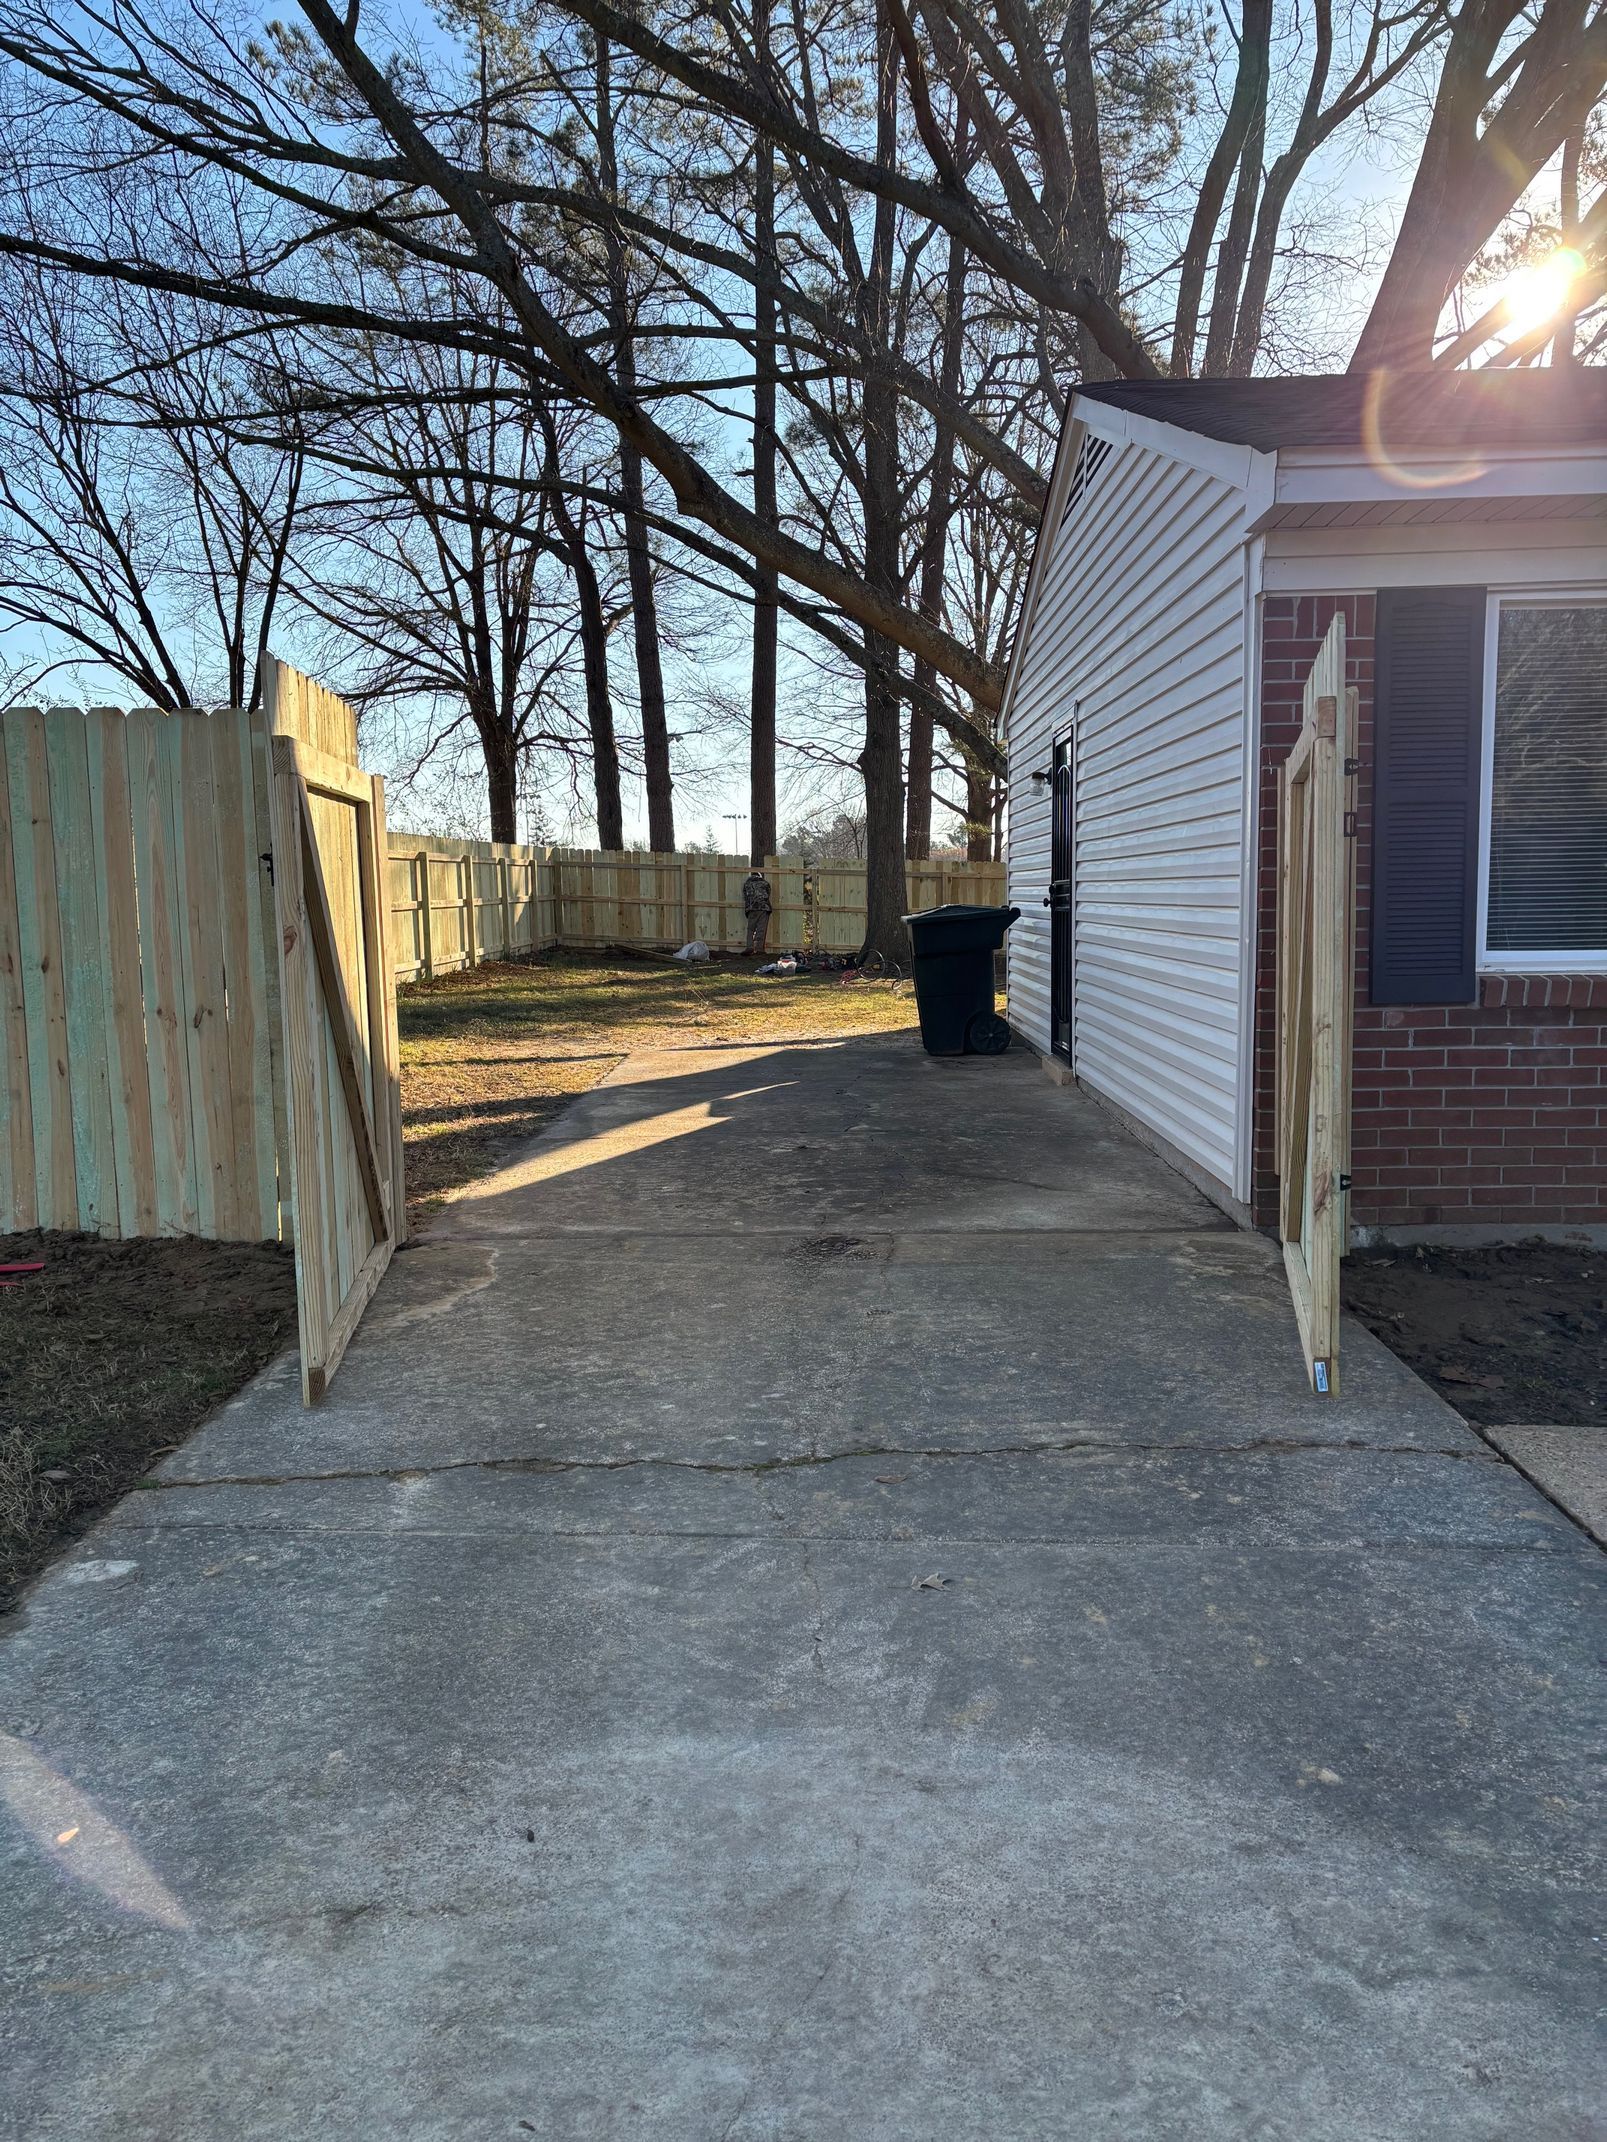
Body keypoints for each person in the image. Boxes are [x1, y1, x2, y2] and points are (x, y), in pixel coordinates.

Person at [742, 867, 773, 957]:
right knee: (761, 929)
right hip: (764, 908)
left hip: (752, 908)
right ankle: (759, 949)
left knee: (750, 929)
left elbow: (745, 896)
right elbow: (768, 894)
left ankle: (750, 947)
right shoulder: (765, 883)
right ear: (760, 876)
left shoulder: (747, 884)